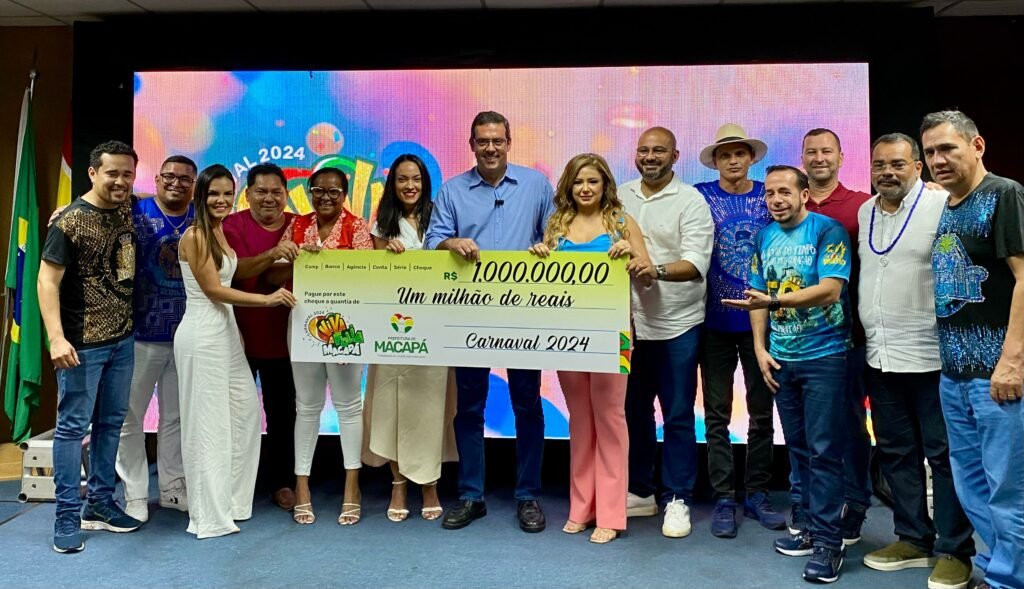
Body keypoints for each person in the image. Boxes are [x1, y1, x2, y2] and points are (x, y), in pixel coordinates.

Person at [423, 111, 556, 532]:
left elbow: (557, 237)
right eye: (483, 141)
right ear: (472, 145)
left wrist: (546, 247)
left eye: (498, 140)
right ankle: (470, 495)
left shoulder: (536, 186)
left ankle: (528, 495)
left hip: (523, 313)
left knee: (527, 405)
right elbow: (431, 241)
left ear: (509, 142)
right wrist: (450, 242)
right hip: (469, 314)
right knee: (469, 407)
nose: (491, 148)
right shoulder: (452, 190)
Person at [724, 165, 852, 584]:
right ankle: (810, 528)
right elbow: (756, 299)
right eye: (770, 194)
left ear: (803, 195)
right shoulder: (764, 237)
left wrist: (776, 301)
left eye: (784, 192)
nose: (776, 200)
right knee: (798, 449)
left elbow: (831, 289)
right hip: (782, 359)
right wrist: (760, 350)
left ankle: (829, 543)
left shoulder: (827, 231)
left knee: (824, 452)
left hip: (825, 357)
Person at [857, 133, 975, 589]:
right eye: (879, 164)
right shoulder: (866, 212)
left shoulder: (942, 205)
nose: (887, 172)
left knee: (943, 457)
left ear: (917, 168)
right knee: (895, 451)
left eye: (898, 164)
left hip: (931, 355)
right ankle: (912, 538)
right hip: (880, 355)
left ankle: (954, 550)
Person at [528, 153, 653, 544]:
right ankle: (581, 507)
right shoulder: (557, 225)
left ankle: (612, 514)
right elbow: (545, 284)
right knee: (579, 420)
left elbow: (648, 277)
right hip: (568, 337)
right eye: (579, 182)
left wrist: (632, 257)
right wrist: (539, 257)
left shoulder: (621, 222)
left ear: (604, 186)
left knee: (611, 419)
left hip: (614, 336)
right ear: (569, 186)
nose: (585, 188)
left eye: (592, 182)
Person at [922, 110, 1024, 589]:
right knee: (971, 487)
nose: (938, 159)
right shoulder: (949, 204)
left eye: (948, 148)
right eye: (930, 152)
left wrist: (1013, 361)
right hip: (955, 375)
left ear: (977, 146)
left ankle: (1008, 580)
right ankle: (1004, 570)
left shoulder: (1004, 194)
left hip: (996, 376)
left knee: (1009, 490)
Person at [175, 164, 296, 539]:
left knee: (244, 415)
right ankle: (209, 513)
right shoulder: (196, 234)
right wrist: (267, 299)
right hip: (202, 334)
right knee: (208, 425)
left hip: (225, 333)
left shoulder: (219, 231)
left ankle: (232, 501)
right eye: (214, 194)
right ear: (200, 195)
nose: (221, 200)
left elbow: (232, 274)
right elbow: (214, 290)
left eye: (227, 193)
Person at [39, 140, 144, 553]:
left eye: (127, 174)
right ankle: (66, 514)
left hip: (123, 339)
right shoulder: (69, 222)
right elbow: (46, 281)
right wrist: (55, 337)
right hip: (81, 345)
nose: (120, 181)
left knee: (111, 422)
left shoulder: (126, 206)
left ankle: (99, 503)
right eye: (112, 173)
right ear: (92, 173)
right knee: (71, 428)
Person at [619, 127, 714, 538]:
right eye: (644, 150)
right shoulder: (619, 196)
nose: (650, 157)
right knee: (633, 412)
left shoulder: (690, 201)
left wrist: (653, 270)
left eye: (659, 151)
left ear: (675, 156)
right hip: (628, 325)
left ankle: (678, 497)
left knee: (677, 415)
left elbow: (695, 264)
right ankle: (641, 491)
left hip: (678, 325)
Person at [693, 123, 784, 538]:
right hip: (712, 321)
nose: (733, 160)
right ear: (715, 161)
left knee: (762, 411)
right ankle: (724, 496)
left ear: (751, 158)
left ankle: (758, 492)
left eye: (739, 153)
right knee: (717, 413)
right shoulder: (698, 196)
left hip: (760, 323)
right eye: (725, 154)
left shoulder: (769, 195)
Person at [273, 166, 373, 525]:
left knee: (349, 407)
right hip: (303, 324)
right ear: (310, 192)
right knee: (306, 407)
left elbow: (367, 278)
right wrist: (296, 259)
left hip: (346, 327)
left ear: (344, 195)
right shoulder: (297, 226)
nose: (325, 197)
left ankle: (352, 487)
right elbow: (274, 274)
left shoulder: (357, 227)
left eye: (333, 192)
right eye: (318, 191)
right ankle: (302, 486)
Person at [363, 154, 458, 523]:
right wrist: (386, 256)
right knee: (392, 407)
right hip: (393, 330)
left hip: (434, 329)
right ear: (393, 183)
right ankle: (399, 483)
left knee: (431, 408)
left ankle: (430, 483)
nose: (409, 186)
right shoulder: (382, 223)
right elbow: (375, 279)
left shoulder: (441, 218)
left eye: (415, 178)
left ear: (425, 181)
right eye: (402, 179)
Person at [796, 128, 873, 543]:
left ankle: (855, 504)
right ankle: (813, 507)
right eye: (812, 152)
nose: (819, 158)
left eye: (827, 151)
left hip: (849, 336)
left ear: (841, 157)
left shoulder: (862, 205)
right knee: (808, 431)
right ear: (803, 158)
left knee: (850, 424)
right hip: (799, 342)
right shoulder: (791, 204)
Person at [116, 155, 196, 523]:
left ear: (194, 184)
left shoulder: (202, 218)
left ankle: (172, 488)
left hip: (186, 335)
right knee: (129, 417)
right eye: (169, 176)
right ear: (158, 179)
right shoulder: (134, 212)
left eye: (185, 178)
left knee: (176, 418)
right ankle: (134, 493)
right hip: (140, 334)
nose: (176, 183)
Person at [222, 163, 300, 511]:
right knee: (233, 415)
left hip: (286, 339)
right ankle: (230, 483)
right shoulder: (231, 225)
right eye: (261, 191)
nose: (269, 198)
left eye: (276, 192)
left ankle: (282, 482)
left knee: (283, 415)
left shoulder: (300, 225)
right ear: (248, 194)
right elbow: (236, 271)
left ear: (286, 194)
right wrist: (271, 254)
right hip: (238, 337)